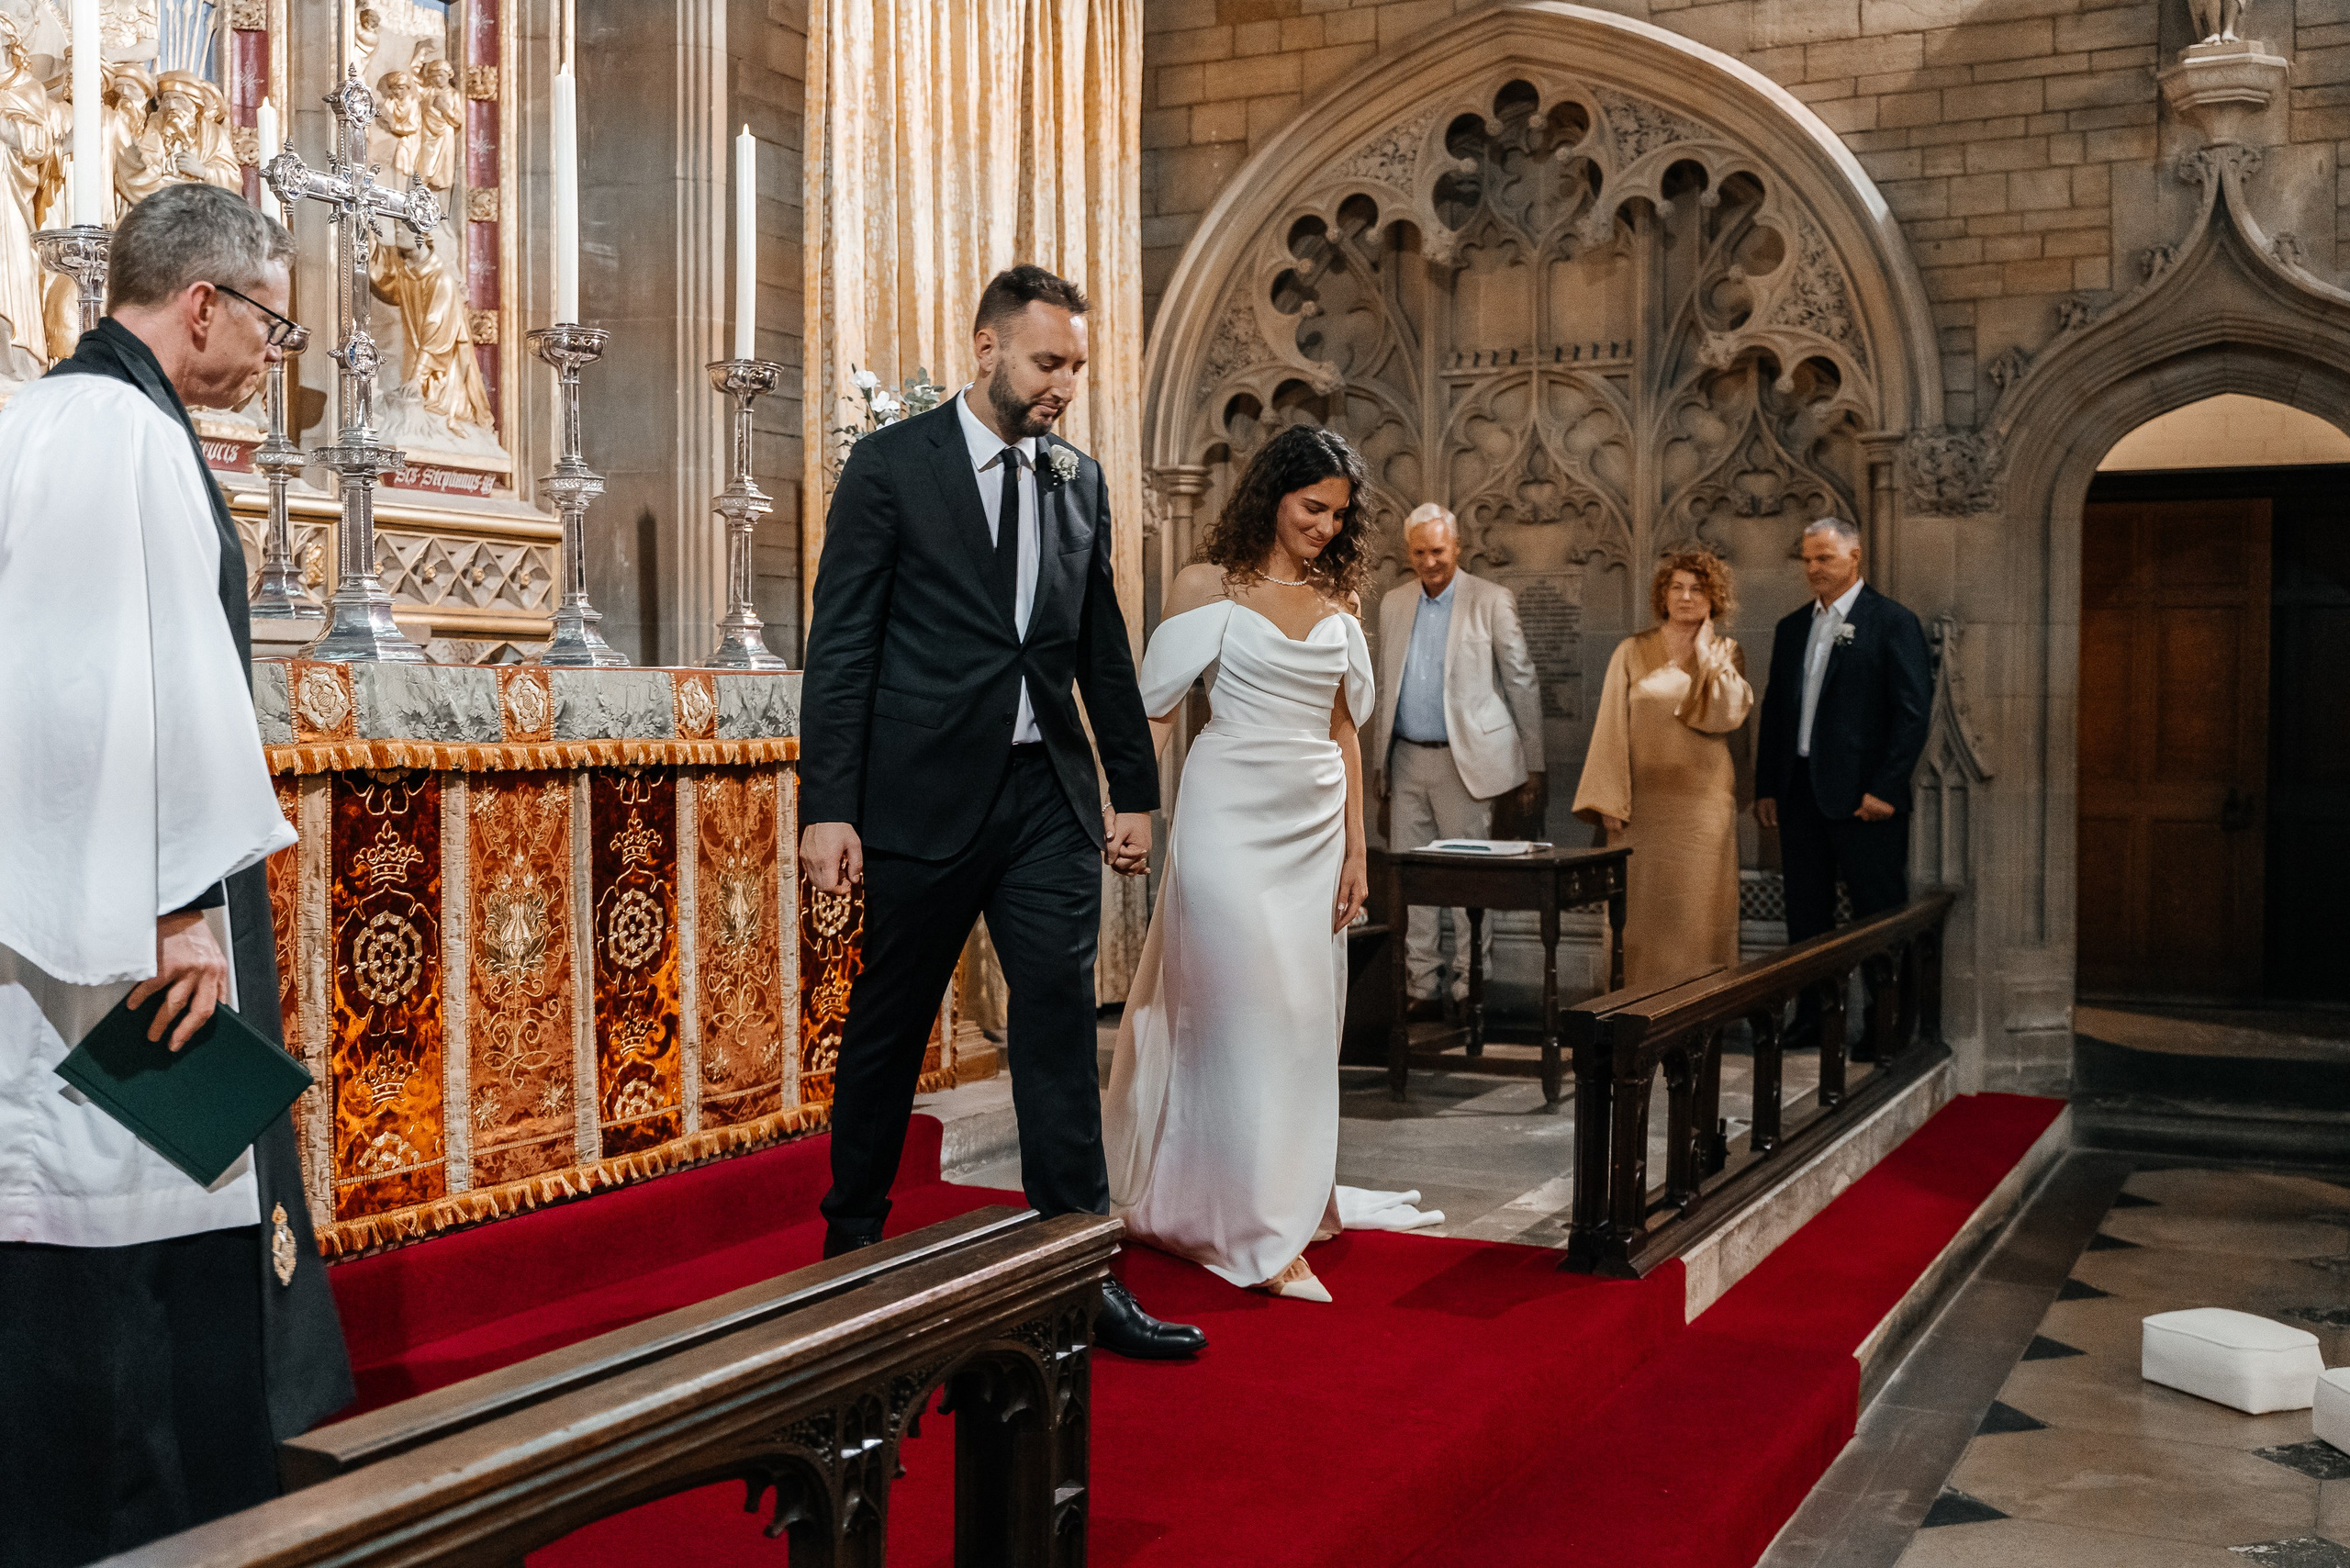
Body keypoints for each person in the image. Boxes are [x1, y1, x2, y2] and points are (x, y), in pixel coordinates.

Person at [0, 182, 352, 1566]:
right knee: (120, 1231)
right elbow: (110, 692)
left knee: (85, 1210)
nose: (272, 354)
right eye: (267, 319)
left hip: (50, 900)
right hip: (108, 929)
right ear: (198, 304)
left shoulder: (38, 419)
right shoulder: (123, 439)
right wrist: (173, 906)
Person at [798, 264, 1203, 1361]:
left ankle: (1079, 1265)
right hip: (919, 795)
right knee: (890, 1022)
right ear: (985, 349)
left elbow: (1096, 644)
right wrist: (827, 805)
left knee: (1061, 1027)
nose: (1064, 383)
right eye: (1047, 361)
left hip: (1044, 799)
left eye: (1075, 364)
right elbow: (841, 646)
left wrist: (1135, 790)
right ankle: (850, 1251)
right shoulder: (890, 467)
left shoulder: (1079, 480)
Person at [1104, 426, 1442, 1305]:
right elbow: (1158, 715)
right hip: (1225, 818)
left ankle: (1287, 1193)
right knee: (1239, 1011)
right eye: (1311, 507)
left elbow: (1343, 729)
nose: (1326, 527)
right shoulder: (1203, 586)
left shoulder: (1342, 596)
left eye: (1339, 513)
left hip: (1314, 824)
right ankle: (1250, 1225)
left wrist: (1358, 848)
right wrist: (1133, 808)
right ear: (1271, 497)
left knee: (1299, 1019)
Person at [1364, 502, 1544, 1019]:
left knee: (1467, 878)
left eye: (1438, 551)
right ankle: (1422, 985)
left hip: (1467, 762)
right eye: (1419, 552)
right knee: (1412, 879)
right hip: (1406, 759)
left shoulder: (1490, 599)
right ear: (1408, 554)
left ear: (1458, 547)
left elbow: (1521, 680)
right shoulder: (1395, 603)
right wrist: (1380, 764)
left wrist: (1535, 764)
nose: (1429, 561)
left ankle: (1471, 986)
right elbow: (1387, 684)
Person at [1572, 548, 1753, 991]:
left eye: (1697, 588)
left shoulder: (1728, 652)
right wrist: (1609, 799)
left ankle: (1701, 1008)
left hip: (1703, 814)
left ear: (1714, 598)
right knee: (1639, 917)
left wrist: (1708, 656)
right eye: (1677, 587)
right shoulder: (1632, 650)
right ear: (1663, 595)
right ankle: (1635, 1007)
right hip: (1643, 811)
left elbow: (1729, 714)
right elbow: (1610, 727)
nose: (1686, 597)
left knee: (1699, 914)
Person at [1754, 517, 1933, 952]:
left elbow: (1913, 713)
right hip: (1799, 797)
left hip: (1864, 801)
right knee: (1805, 918)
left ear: (1855, 556)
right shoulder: (1792, 627)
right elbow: (1775, 712)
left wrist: (1886, 789)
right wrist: (1768, 787)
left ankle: (1886, 1019)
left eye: (1825, 557)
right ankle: (1812, 1019)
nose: (1814, 567)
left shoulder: (1892, 621)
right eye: (1808, 559)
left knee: (1878, 920)